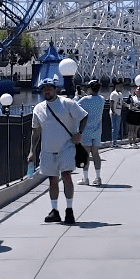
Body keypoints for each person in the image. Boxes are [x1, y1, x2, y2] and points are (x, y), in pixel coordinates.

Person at [27, 77, 89, 224]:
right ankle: (54, 211)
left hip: (66, 147)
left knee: (66, 176)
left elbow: (84, 116)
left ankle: (69, 210)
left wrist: (79, 133)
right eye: (44, 88)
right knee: (52, 180)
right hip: (48, 150)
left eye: (49, 88)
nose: (47, 90)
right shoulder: (38, 109)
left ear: (55, 89)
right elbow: (35, 132)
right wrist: (32, 151)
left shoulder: (67, 103)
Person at [77, 79, 106, 184]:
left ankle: (85, 178)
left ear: (90, 88)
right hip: (97, 131)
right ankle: (98, 177)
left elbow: (74, 106)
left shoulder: (84, 100)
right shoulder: (101, 99)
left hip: (86, 131)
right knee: (96, 154)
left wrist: (78, 96)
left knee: (85, 155)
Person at [125, 82, 140, 147]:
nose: (137, 91)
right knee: (130, 129)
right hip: (132, 113)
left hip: (138, 113)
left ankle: (134, 142)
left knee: (136, 129)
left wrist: (138, 106)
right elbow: (127, 103)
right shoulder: (133, 97)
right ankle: (130, 142)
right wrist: (129, 97)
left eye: (138, 90)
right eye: (136, 90)